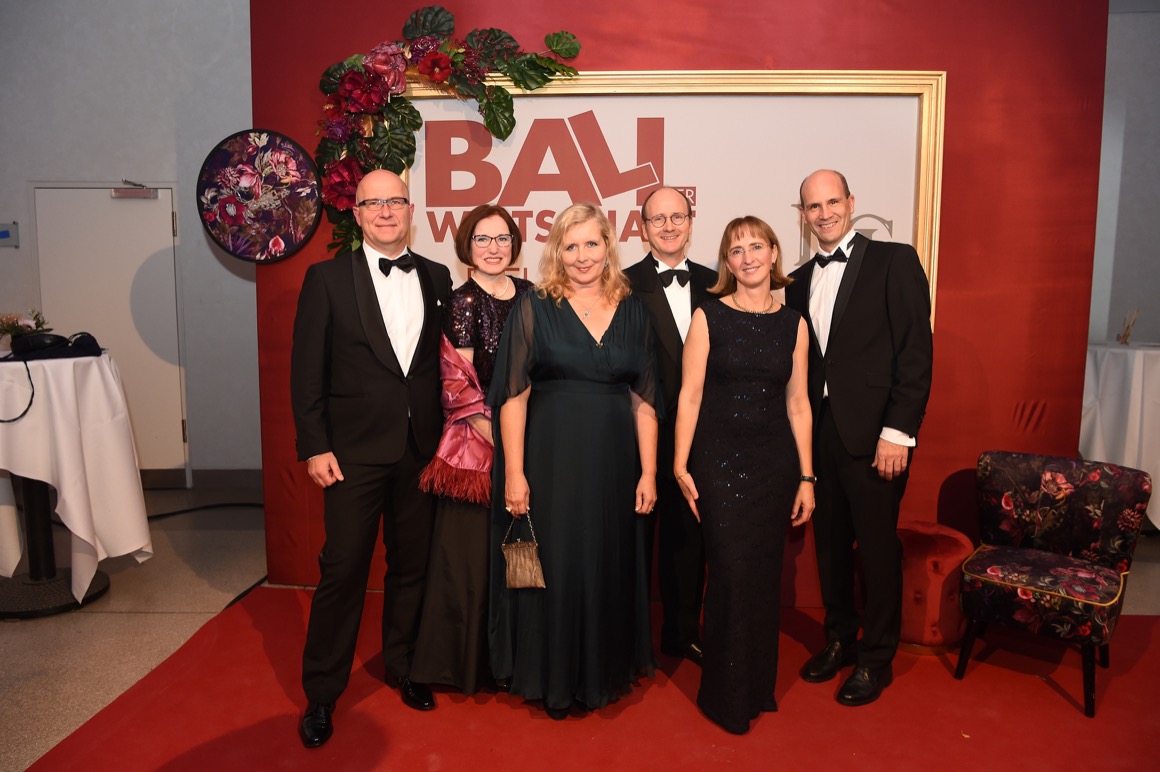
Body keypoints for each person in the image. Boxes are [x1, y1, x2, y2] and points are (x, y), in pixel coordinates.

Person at [290, 169, 453, 748]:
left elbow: (440, 366)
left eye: (395, 201)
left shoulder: (436, 275)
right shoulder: (326, 279)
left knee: (413, 567)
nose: (385, 211)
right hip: (351, 454)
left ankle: (404, 666)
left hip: (420, 449)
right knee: (344, 570)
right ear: (355, 213)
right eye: (373, 203)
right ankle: (322, 694)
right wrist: (314, 445)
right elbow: (306, 371)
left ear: (410, 209)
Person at [488, 202, 659, 720]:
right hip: (551, 461)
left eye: (591, 244)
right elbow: (514, 398)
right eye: (571, 246)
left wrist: (649, 471)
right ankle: (554, 677)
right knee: (557, 565)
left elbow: (645, 400)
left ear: (608, 246)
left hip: (614, 465)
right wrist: (515, 473)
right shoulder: (535, 306)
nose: (582, 256)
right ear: (556, 252)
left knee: (606, 561)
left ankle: (600, 671)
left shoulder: (633, 309)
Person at [785, 169, 933, 707]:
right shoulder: (797, 280)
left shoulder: (895, 261)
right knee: (828, 547)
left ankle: (876, 658)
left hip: (876, 437)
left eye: (832, 202)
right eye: (813, 206)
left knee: (875, 549)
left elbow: (915, 353)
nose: (824, 213)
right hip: (819, 435)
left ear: (851, 203)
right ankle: (840, 640)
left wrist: (898, 432)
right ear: (802, 215)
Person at [672, 215, 815, 734]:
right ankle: (726, 697)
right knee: (730, 575)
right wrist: (680, 463)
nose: (748, 257)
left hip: (774, 466)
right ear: (727, 263)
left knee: (761, 577)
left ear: (774, 254)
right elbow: (690, 396)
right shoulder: (708, 316)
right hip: (718, 462)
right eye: (737, 250)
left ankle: (756, 687)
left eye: (757, 246)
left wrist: (807, 477)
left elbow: (799, 404)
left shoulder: (794, 324)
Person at [410, 204, 534, 694]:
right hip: (477, 447)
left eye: (502, 238)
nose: (493, 248)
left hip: (528, 440)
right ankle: (465, 666)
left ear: (515, 244)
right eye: (483, 239)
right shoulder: (462, 302)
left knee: (520, 558)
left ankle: (515, 661)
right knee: (471, 563)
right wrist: (504, 441)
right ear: (467, 246)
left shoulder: (531, 295)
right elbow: (458, 387)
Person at [623, 187, 716, 666]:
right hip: (638, 432)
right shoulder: (621, 283)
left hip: (699, 436)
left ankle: (682, 634)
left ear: (691, 222)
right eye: (657, 219)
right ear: (643, 228)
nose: (668, 226)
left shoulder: (717, 283)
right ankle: (630, 642)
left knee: (688, 541)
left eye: (677, 216)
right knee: (633, 540)